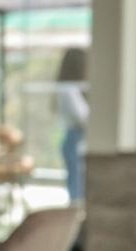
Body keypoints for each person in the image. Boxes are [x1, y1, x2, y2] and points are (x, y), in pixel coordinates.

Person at [56, 47, 88, 201]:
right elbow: (83, 117)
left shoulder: (73, 88)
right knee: (76, 189)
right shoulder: (68, 89)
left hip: (76, 138)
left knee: (78, 184)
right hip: (74, 138)